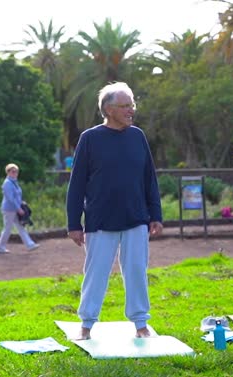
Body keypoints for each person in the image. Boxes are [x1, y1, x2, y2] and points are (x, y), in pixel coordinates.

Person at [66, 82, 163, 341]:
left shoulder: (137, 136)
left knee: (136, 271)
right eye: (125, 106)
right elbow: (77, 184)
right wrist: (73, 223)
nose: (131, 110)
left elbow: (149, 178)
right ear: (109, 109)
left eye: (132, 105)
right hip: (100, 219)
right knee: (96, 273)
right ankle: (86, 324)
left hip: (136, 217)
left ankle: (141, 323)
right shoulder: (90, 139)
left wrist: (155, 215)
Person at [0, 163, 40, 254]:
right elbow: (10, 198)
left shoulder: (14, 182)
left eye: (16, 171)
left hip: (14, 208)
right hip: (9, 209)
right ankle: (0, 247)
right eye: (13, 171)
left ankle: (30, 244)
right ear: (8, 172)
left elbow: (16, 196)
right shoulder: (7, 183)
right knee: (8, 228)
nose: (15, 173)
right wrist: (18, 208)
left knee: (20, 227)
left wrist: (21, 203)